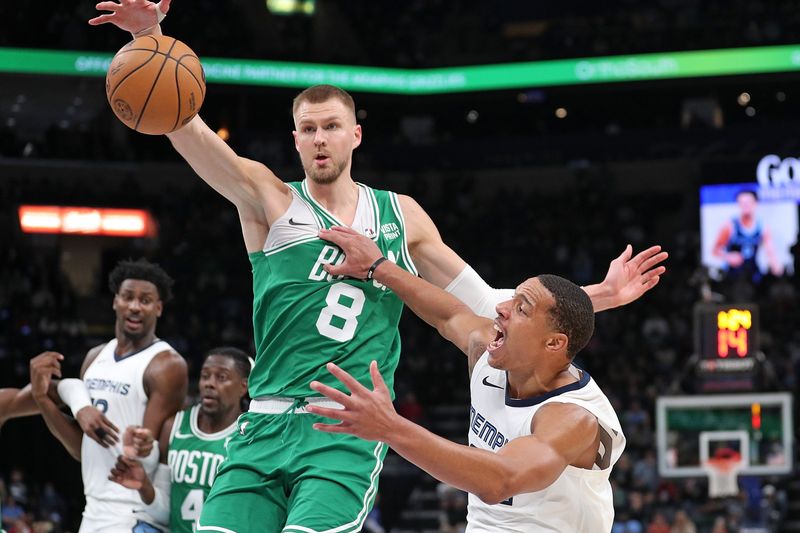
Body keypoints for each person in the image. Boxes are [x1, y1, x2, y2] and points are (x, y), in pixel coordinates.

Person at [89, 4, 667, 531]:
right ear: (294, 140)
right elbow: (183, 122)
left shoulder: (400, 216)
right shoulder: (270, 201)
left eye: (331, 126)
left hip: (343, 427)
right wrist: (150, 37)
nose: (320, 139)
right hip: (263, 420)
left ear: (355, 135)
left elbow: (486, 300)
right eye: (308, 129)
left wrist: (601, 296)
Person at [306, 226, 627, 532]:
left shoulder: (573, 418)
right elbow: (449, 316)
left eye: (521, 309)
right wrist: (377, 267)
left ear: (554, 343)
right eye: (511, 299)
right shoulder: (490, 356)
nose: (500, 308)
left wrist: (390, 428)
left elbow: (500, 480)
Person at [29, 258, 188, 533]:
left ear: (159, 308)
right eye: (128, 297)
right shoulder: (95, 357)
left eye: (146, 300)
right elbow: (83, 450)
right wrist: (45, 401)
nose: (135, 306)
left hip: (134, 513)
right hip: (92, 509)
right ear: (115, 301)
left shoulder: (166, 365)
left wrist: (142, 445)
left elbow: (144, 457)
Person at [108, 347, 251, 532]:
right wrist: (144, 487)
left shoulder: (247, 436)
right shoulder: (174, 426)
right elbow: (165, 512)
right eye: (205, 376)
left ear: (243, 387)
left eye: (221, 377)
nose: (210, 383)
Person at [712, 189, 783, 281]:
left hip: (753, 273)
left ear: (755, 203)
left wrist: (778, 271)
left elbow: (771, 252)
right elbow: (715, 250)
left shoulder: (762, 226)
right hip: (732, 275)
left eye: (748, 202)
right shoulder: (730, 225)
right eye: (742, 202)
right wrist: (729, 256)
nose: (746, 205)